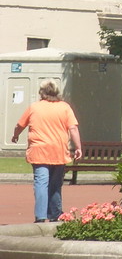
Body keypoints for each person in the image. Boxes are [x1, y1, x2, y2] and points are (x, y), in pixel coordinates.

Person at [10, 80, 82, 223]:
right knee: (55, 184)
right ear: (56, 92)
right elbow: (73, 128)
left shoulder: (35, 107)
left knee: (41, 183)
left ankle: (41, 216)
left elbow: (20, 125)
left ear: (41, 93)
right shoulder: (65, 107)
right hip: (59, 151)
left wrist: (15, 135)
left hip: (39, 151)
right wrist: (78, 147)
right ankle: (55, 213)